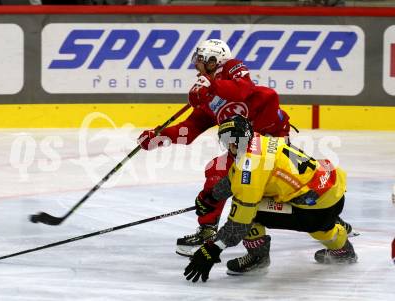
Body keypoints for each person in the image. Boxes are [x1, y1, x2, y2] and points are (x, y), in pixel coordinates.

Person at [138, 39, 354, 257]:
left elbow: (243, 90)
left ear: (213, 61)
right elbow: (189, 130)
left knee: (268, 182)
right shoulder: (207, 97)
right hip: (245, 144)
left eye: (200, 60)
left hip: (270, 140)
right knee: (233, 177)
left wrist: (211, 87)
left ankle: (326, 219)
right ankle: (328, 220)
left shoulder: (232, 67)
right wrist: (158, 138)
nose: (196, 65)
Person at [183, 115, 358, 283]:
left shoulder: (250, 165)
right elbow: (234, 177)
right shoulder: (259, 140)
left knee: (252, 210)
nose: (231, 145)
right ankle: (342, 249)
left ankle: (257, 257)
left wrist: (213, 248)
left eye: (234, 140)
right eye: (227, 140)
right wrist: (211, 197)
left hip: (314, 210)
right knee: (322, 227)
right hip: (331, 192)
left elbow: (241, 221)